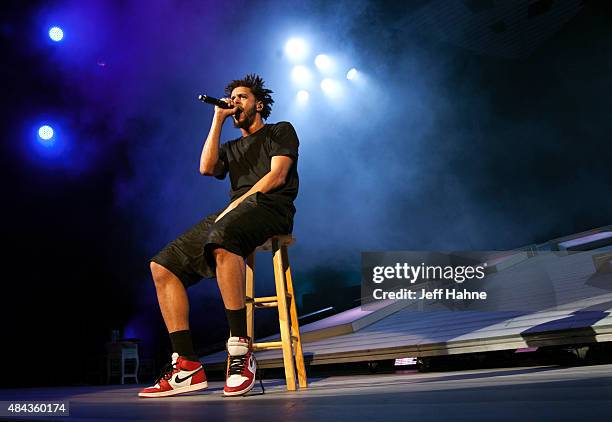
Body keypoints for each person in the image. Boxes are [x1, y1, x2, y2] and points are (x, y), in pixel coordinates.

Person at [138, 74, 299, 398]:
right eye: (232, 98)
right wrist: (217, 118)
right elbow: (206, 167)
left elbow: (278, 175)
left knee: (224, 235)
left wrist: (240, 203)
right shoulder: (230, 145)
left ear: (260, 104)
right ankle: (187, 365)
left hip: (270, 207)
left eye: (242, 97)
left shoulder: (280, 130)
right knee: (163, 265)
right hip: (233, 213)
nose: (235, 102)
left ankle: (241, 351)